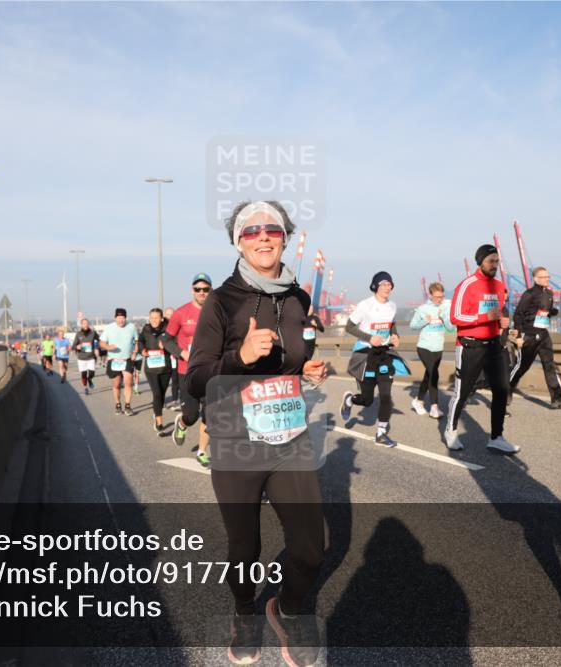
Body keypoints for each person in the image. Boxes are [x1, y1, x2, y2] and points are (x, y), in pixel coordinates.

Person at [185, 200, 327, 667]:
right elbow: (196, 379)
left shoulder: (298, 297)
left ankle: (284, 608)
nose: (264, 236)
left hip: (288, 437)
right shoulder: (222, 302)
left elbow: (292, 354)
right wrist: (238, 358)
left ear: (285, 237)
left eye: (273, 229)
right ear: (238, 242)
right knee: (245, 548)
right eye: (251, 231)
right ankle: (245, 613)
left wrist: (306, 369)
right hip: (234, 440)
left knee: (311, 547)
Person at [444, 245, 519, 454]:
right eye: (491, 261)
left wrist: (504, 323)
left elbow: (499, 313)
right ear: (481, 262)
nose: (495, 265)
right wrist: (486, 318)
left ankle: (496, 437)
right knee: (463, 391)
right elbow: (455, 317)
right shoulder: (467, 285)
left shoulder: (499, 285)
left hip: (494, 345)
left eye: (497, 261)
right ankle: (450, 430)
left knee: (502, 389)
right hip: (470, 346)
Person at [339, 271, 402, 446]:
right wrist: (369, 338)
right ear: (375, 286)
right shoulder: (365, 305)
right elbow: (349, 327)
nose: (387, 287)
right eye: (383, 284)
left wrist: (395, 336)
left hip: (385, 355)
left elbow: (392, 325)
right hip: (367, 356)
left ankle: (381, 433)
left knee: (386, 396)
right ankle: (350, 400)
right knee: (367, 400)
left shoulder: (392, 306)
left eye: (389, 284)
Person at [164, 274, 213, 467]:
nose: (202, 292)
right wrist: (182, 353)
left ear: (211, 290)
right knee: (192, 415)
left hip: (210, 371)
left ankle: (202, 451)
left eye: (205, 289)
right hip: (187, 371)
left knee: (210, 415)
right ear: (192, 290)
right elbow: (166, 340)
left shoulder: (217, 311)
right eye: (198, 289)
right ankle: (182, 423)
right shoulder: (181, 313)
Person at [508, 267, 561, 409]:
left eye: (548, 276)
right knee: (522, 367)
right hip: (529, 335)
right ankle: (506, 390)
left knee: (549, 365)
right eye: (544, 277)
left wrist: (552, 312)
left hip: (543, 334)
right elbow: (518, 315)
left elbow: (544, 312)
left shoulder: (549, 293)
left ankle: (557, 398)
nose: (547, 279)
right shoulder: (529, 294)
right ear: (536, 279)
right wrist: (518, 336)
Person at [410, 282, 455, 418]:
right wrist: (425, 320)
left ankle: (418, 401)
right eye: (436, 297)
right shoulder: (423, 308)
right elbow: (413, 326)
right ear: (430, 295)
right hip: (424, 347)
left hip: (438, 348)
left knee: (428, 376)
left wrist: (444, 318)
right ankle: (434, 408)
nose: (439, 300)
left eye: (441, 297)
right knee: (434, 374)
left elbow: (451, 329)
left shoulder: (445, 308)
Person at [138, 308, 173, 436]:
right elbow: (140, 342)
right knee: (157, 394)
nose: (154, 320)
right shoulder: (146, 329)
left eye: (156, 317)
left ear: (161, 318)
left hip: (165, 367)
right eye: (152, 317)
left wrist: (167, 346)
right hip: (151, 367)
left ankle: (156, 411)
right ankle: (159, 423)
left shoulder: (168, 329)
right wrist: (142, 350)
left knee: (162, 395)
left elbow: (175, 342)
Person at [99, 308, 138, 415]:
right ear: (115, 318)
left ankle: (128, 406)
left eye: (123, 318)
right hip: (114, 360)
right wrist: (108, 347)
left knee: (128, 382)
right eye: (119, 318)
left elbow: (137, 341)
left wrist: (135, 352)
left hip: (127, 359)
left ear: (125, 318)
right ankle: (118, 404)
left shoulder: (132, 327)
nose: (121, 320)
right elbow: (101, 343)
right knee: (116, 384)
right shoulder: (109, 328)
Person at [72, 319, 99, 395]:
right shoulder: (78, 334)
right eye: (84, 323)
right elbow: (73, 346)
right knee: (83, 374)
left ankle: (89, 379)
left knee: (92, 373)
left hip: (91, 357)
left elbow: (99, 340)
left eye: (87, 323)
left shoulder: (93, 333)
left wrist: (97, 348)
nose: (86, 325)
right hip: (81, 358)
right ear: (81, 325)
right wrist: (77, 347)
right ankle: (85, 387)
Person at [163, 306, 181, 410]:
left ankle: (176, 400)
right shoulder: (163, 326)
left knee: (176, 379)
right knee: (164, 381)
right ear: (165, 315)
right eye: (168, 314)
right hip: (164, 357)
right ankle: (164, 401)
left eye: (171, 314)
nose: (170, 316)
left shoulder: (177, 324)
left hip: (176, 356)